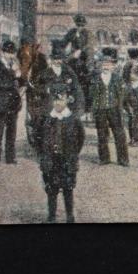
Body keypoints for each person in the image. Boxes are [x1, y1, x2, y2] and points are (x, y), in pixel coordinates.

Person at [39, 82, 85, 223]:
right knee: (51, 190)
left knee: (68, 189)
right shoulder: (46, 120)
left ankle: (69, 216)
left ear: (67, 100)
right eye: (55, 100)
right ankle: (51, 216)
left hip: (67, 161)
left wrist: (72, 154)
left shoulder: (73, 120)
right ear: (51, 101)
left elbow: (80, 140)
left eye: (61, 99)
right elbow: (38, 140)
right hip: (50, 161)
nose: (58, 103)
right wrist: (45, 155)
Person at [31, 40, 84, 155]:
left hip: (66, 105)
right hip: (50, 105)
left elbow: (76, 87)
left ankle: (67, 150)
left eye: (60, 59)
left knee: (71, 126)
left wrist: (73, 99)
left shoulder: (68, 72)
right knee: (46, 127)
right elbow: (36, 88)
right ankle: (47, 151)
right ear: (51, 59)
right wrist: (46, 90)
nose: (57, 61)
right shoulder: (45, 73)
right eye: (55, 59)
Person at [90, 48, 129, 166]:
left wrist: (120, 108)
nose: (106, 66)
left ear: (113, 66)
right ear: (100, 65)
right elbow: (92, 95)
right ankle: (104, 158)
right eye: (104, 63)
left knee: (119, 134)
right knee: (102, 134)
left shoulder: (117, 78)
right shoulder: (95, 79)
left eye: (109, 64)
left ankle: (123, 159)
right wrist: (93, 110)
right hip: (100, 109)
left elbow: (122, 94)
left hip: (114, 109)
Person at [0, 40, 23, 165]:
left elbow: (18, 82)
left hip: (13, 104)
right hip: (0, 103)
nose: (12, 56)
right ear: (2, 53)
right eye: (9, 53)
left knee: (12, 131)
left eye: (13, 53)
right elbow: (2, 84)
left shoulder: (12, 65)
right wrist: (14, 74)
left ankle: (10, 157)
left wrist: (21, 77)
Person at [63, 13, 94, 113]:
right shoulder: (71, 32)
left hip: (85, 56)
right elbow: (64, 42)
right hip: (73, 56)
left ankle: (88, 105)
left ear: (84, 25)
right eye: (78, 25)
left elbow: (89, 45)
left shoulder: (88, 33)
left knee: (89, 76)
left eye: (81, 25)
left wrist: (80, 50)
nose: (79, 27)